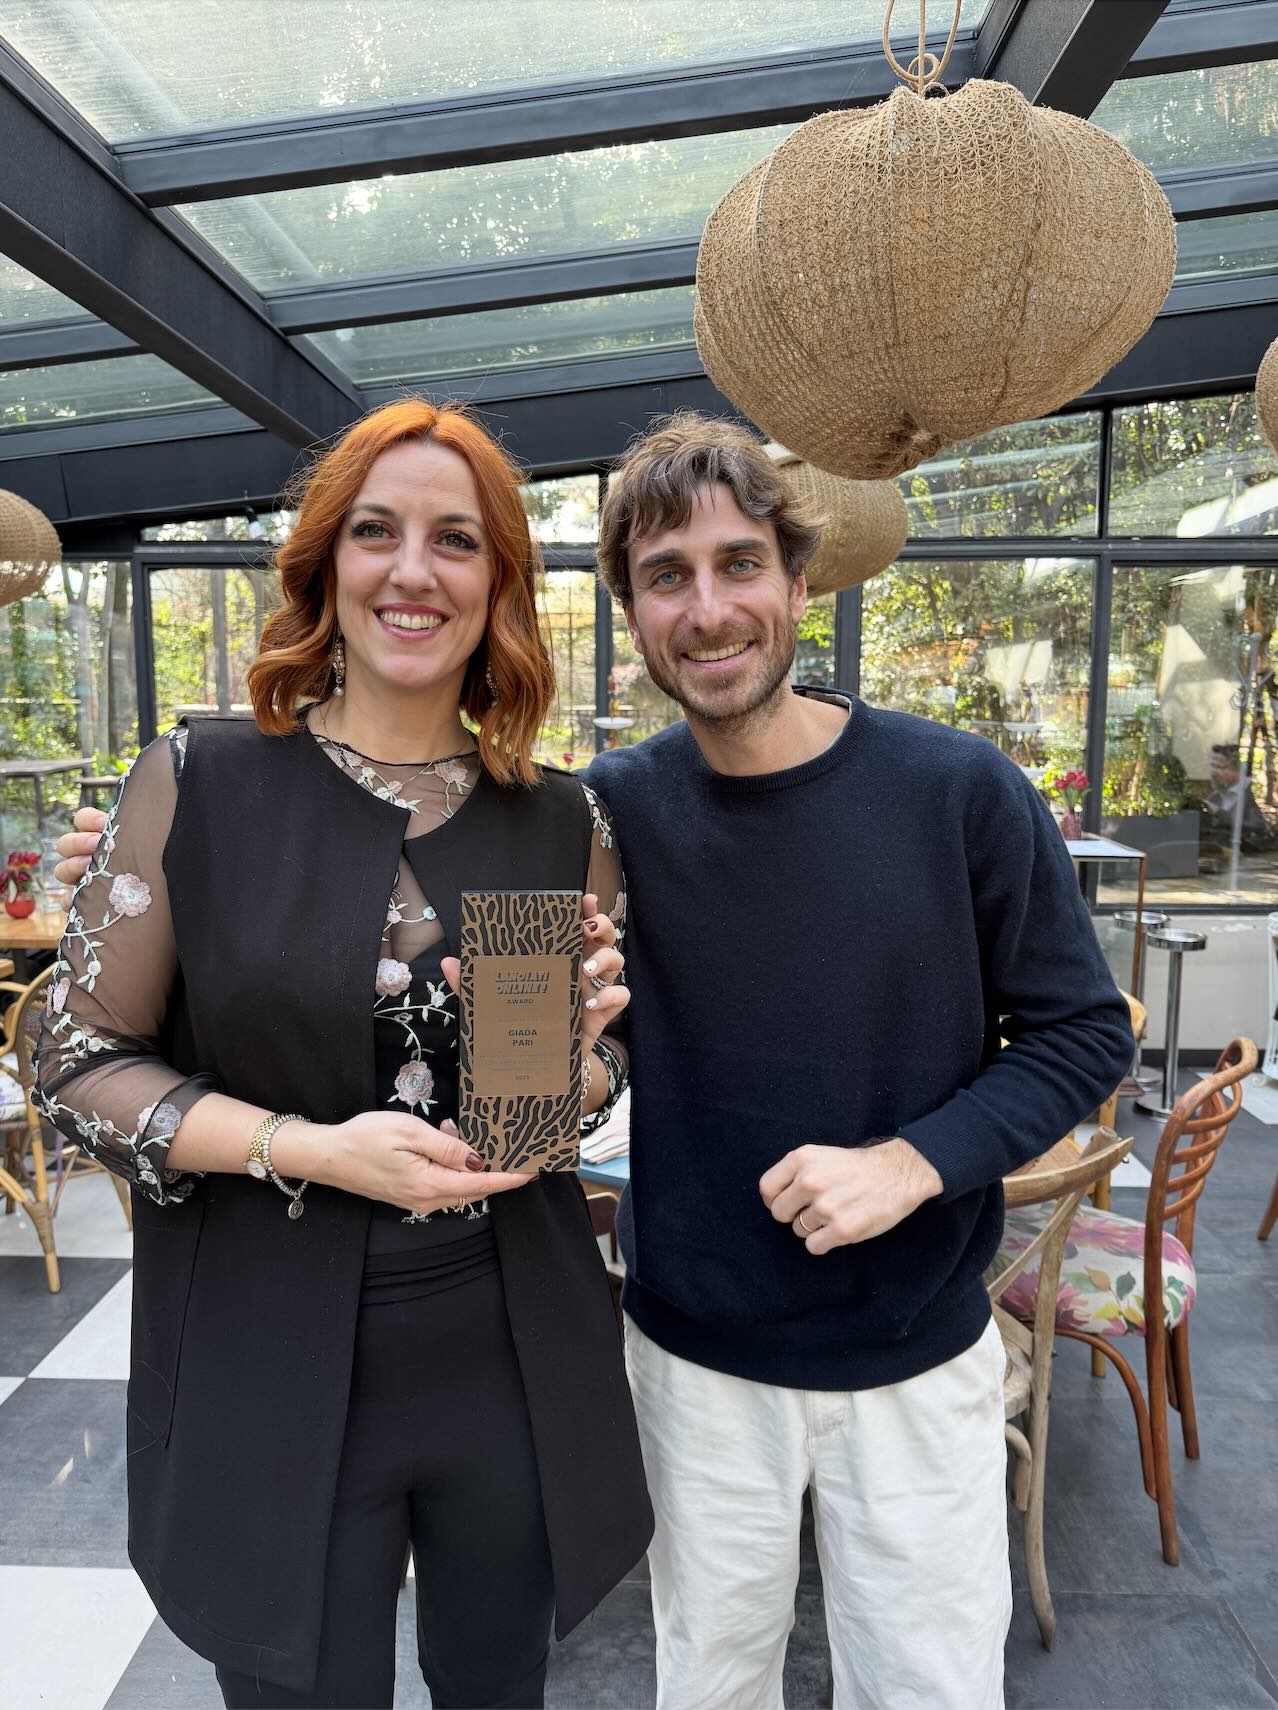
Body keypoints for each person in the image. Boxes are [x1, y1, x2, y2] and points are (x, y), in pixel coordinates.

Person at [58, 411, 1135, 1710]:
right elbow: (86, 1046)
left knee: (915, 1690)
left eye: (741, 565)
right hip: (626, 1356)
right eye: (668, 575)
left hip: (824, 1346)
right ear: (630, 610)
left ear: (800, 582)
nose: (710, 608)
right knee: (698, 1686)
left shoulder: (873, 794)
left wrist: (899, 1158)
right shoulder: (572, 804)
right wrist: (160, 887)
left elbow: (1082, 1030)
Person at [38, 398, 651, 1710]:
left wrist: (581, 1064)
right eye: (376, 532)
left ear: (498, 582)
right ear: (325, 564)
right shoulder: (199, 782)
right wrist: (314, 1150)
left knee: (500, 1686)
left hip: (511, 1349)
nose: (412, 571)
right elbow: (78, 1063)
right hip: (266, 1349)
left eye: (455, 539)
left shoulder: (563, 820)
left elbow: (569, 1104)